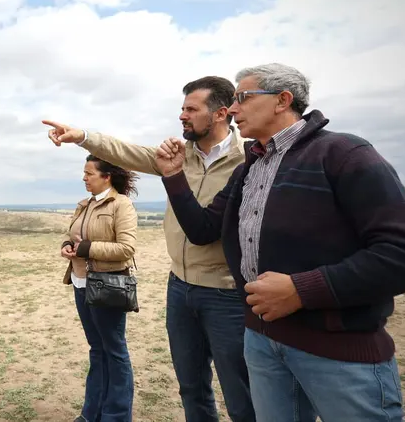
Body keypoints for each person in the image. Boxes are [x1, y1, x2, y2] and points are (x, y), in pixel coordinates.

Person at [155, 63, 405, 422]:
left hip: (338, 353)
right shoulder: (248, 169)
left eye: (242, 98)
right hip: (261, 341)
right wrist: (172, 177)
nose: (231, 110)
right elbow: (202, 231)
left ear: (283, 100)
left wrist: (300, 289)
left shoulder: (342, 153)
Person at [45, 76, 255, 422]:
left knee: (239, 390)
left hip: (226, 291)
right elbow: (126, 152)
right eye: (182, 108)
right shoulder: (177, 157)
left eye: (191, 109)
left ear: (220, 114)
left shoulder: (247, 158)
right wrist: (81, 136)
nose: (182, 116)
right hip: (180, 287)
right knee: (191, 386)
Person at [61, 154, 139, 422]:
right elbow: (74, 236)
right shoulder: (84, 205)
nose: (84, 178)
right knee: (97, 349)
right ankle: (91, 414)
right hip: (81, 283)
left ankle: (116, 416)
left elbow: (127, 248)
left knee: (115, 350)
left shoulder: (121, 205)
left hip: (108, 286)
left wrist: (86, 248)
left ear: (107, 177)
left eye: (89, 173)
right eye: (84, 173)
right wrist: (68, 246)